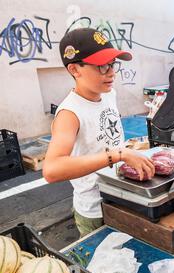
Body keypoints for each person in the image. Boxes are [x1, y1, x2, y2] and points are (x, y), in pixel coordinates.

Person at [43, 28, 155, 237]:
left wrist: (128, 152)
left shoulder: (108, 94)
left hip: (122, 196)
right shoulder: (70, 113)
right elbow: (52, 169)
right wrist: (118, 155)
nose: (111, 72)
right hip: (95, 210)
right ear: (75, 69)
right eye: (102, 66)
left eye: (113, 64)